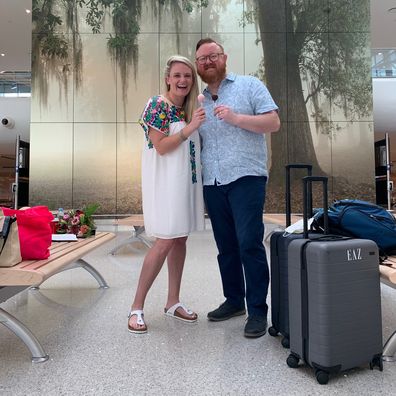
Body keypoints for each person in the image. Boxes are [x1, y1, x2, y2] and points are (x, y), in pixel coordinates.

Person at [195, 38, 280, 338]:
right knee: (226, 248)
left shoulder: (249, 85)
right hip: (213, 182)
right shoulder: (199, 99)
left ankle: (257, 310)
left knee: (249, 244)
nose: (208, 62)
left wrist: (236, 118)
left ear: (224, 57)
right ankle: (234, 300)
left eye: (212, 56)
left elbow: (273, 122)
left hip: (246, 177)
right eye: (202, 59)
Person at [128, 55, 206, 334]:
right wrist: (190, 129)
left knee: (180, 239)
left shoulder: (189, 109)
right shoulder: (157, 104)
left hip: (186, 184)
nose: (183, 80)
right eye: (177, 75)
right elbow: (160, 146)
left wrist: (192, 124)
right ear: (168, 79)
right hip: (165, 184)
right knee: (164, 241)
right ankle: (136, 307)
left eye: (187, 75)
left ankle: (173, 301)